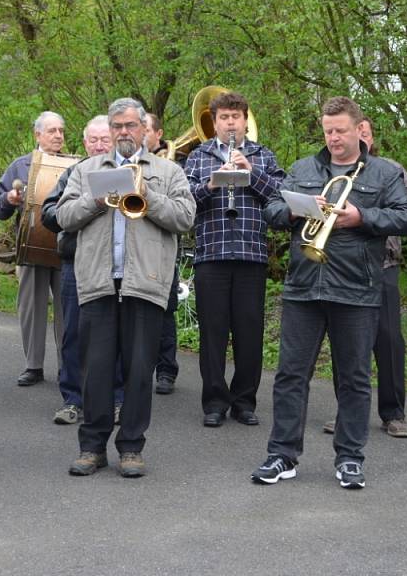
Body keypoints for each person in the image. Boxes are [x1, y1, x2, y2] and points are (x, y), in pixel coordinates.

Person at [251, 96, 407, 490]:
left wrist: (363, 217)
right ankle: (282, 455)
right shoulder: (303, 168)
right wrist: (295, 210)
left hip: (357, 289)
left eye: (340, 130)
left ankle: (349, 459)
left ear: (359, 129)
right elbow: (272, 210)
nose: (333, 138)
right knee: (290, 375)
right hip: (304, 287)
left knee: (354, 379)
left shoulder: (383, 173)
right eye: (328, 131)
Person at [56, 98, 195, 478]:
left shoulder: (168, 172)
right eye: (116, 126)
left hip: (145, 283)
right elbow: (63, 217)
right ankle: (92, 447)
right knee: (95, 370)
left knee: (138, 371)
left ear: (144, 129)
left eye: (130, 126)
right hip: (99, 282)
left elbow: (185, 218)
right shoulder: (85, 170)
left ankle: (131, 447)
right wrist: (95, 201)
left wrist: (147, 197)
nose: (123, 133)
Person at [185, 91, 285, 426]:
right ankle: (214, 402)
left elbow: (281, 198)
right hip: (211, 254)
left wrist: (251, 171)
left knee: (249, 332)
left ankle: (245, 401)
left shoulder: (263, 155)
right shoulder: (198, 156)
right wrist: (210, 184)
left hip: (250, 255)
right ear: (214, 123)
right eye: (224, 118)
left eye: (236, 117)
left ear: (245, 120)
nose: (231, 123)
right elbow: (184, 204)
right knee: (212, 333)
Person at [323, 116, 407, 438]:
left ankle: (393, 413)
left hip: (384, 265)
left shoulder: (390, 168)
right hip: (345, 266)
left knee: (389, 340)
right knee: (345, 342)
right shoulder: (333, 170)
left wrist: (369, 208)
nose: (359, 136)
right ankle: (346, 412)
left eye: (364, 131)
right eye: (356, 132)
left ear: (369, 135)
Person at [41, 115, 126, 425]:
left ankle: (117, 399)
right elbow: (49, 214)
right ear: (85, 142)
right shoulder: (73, 173)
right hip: (76, 263)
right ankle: (73, 400)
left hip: (118, 266)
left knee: (117, 334)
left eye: (105, 139)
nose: (99, 145)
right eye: (94, 140)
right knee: (74, 333)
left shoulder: (130, 172)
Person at [0, 111, 66, 386]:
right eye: (52, 131)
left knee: (66, 308)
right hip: (30, 245)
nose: (58, 135)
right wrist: (9, 199)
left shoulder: (73, 164)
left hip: (63, 246)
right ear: (37, 135)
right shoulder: (20, 165)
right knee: (31, 307)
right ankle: (33, 366)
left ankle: (66, 365)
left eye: (61, 130)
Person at [145, 112, 180, 395]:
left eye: (145, 129)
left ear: (158, 134)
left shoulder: (173, 163)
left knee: (166, 310)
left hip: (164, 247)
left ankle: (166, 369)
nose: (140, 134)